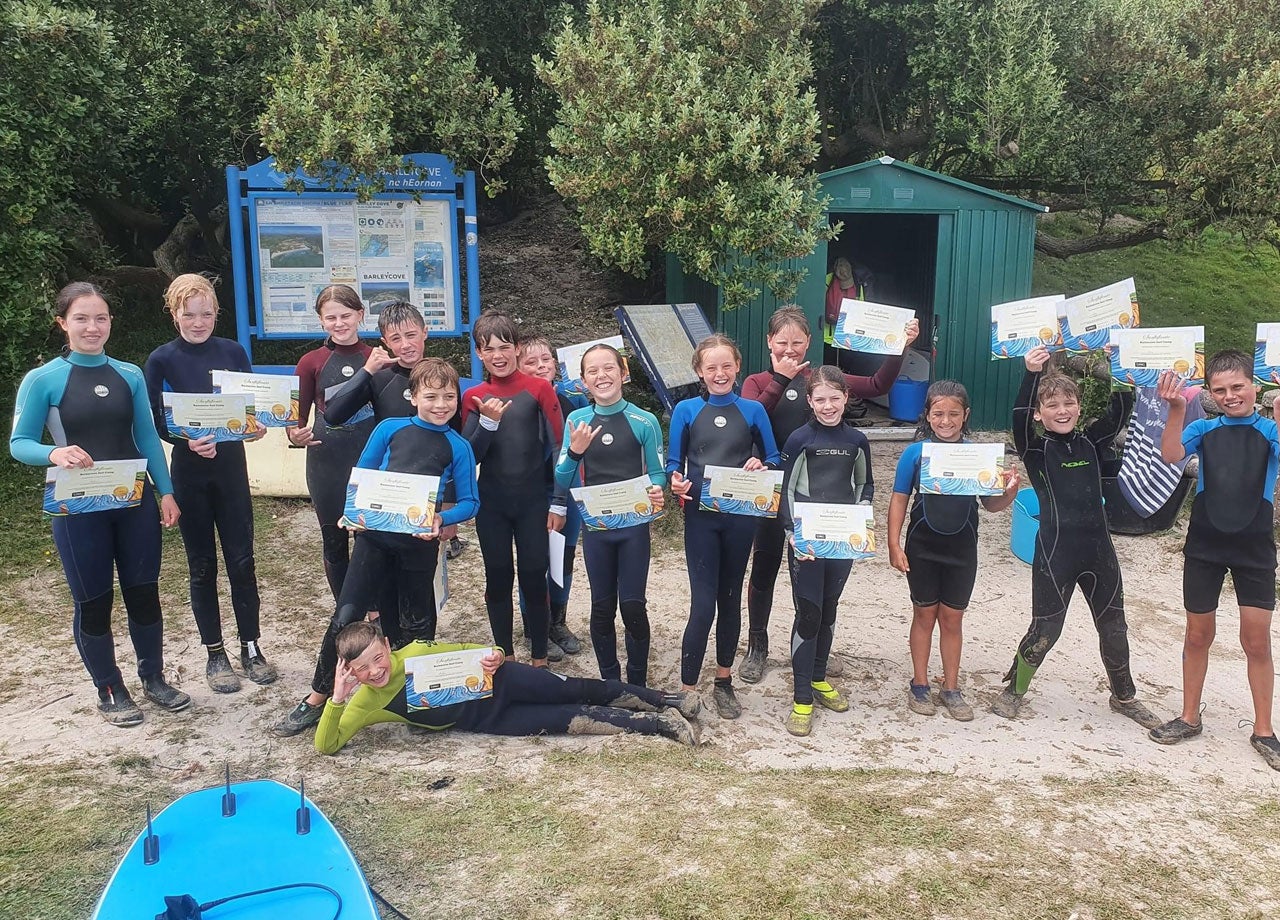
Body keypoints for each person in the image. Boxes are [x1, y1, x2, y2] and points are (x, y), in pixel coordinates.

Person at [10, 281, 189, 725]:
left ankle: (154, 677)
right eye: (82, 318)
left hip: (132, 503)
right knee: (93, 600)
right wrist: (55, 453)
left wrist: (165, 490)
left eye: (101, 318)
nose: (93, 327)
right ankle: (108, 686)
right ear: (62, 324)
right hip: (78, 509)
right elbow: (19, 442)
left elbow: (145, 437)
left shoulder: (127, 374)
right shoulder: (43, 379)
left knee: (144, 593)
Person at [275, 358, 479, 736]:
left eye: (449, 397)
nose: (440, 405)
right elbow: (363, 477)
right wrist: (352, 513)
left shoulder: (459, 446)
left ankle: (417, 698)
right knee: (345, 616)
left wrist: (441, 520)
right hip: (374, 541)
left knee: (416, 626)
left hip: (419, 546)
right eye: (430, 396)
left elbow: (470, 502)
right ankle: (318, 698)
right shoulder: (390, 429)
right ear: (413, 396)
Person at [739, 305, 920, 683]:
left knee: (815, 577)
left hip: (821, 501)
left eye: (798, 344)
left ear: (808, 343)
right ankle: (758, 644)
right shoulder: (757, 381)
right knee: (765, 567)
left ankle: (812, 646)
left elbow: (876, 386)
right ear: (769, 342)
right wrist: (777, 377)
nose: (791, 352)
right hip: (774, 491)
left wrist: (899, 345)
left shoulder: (818, 380)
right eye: (782, 343)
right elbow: (749, 419)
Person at [991, 345, 1158, 727]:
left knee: (1114, 627)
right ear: (1040, 413)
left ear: (1079, 407)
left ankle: (1124, 696)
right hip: (1056, 553)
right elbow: (1017, 417)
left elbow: (1121, 407)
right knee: (1046, 628)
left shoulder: (1092, 443)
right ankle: (1014, 691)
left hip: (1100, 552)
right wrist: (1031, 374)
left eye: (1069, 402)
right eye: (1052, 405)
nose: (1062, 410)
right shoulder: (1036, 448)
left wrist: (1118, 363)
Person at [144, 274, 275, 693]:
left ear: (217, 313)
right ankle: (214, 653)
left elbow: (250, 406)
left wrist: (256, 427)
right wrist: (185, 438)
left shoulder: (233, 351)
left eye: (206, 313)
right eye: (189, 314)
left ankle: (250, 645)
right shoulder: (161, 360)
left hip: (230, 468)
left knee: (242, 560)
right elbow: (157, 421)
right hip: (190, 469)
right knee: (201, 565)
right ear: (173, 314)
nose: (198, 322)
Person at [1148, 352, 1280, 770]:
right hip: (1205, 545)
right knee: (1196, 634)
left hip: (1255, 548)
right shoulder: (1205, 428)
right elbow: (1170, 455)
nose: (1230, 396)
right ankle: (1189, 716)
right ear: (1210, 393)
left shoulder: (1269, 431)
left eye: (1238, 387)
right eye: (1220, 390)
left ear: (1254, 385)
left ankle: (1264, 729)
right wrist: (1175, 408)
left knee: (1256, 640)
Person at [314, 622, 701, 754]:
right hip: (492, 718)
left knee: (577, 688)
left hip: (504, 679)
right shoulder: (365, 700)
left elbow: (473, 650)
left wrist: (495, 655)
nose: (375, 671)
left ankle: (666, 699)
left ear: (386, 646)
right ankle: (660, 725)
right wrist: (337, 699)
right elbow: (326, 745)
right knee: (573, 720)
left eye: (377, 658)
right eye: (362, 669)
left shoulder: (415, 651)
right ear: (350, 671)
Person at [887, 381, 1020, 721]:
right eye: (938, 414)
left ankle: (950, 687)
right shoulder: (915, 453)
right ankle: (919, 683)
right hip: (923, 547)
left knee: (952, 619)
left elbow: (990, 505)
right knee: (924, 615)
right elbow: (900, 498)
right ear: (927, 416)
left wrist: (1010, 493)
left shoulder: (979, 456)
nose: (946, 421)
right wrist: (893, 543)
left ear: (966, 416)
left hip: (962, 549)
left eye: (954, 414)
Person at [667, 334, 779, 718]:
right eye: (711, 367)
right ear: (699, 371)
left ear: (737, 368)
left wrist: (761, 465)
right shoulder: (685, 410)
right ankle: (685, 689)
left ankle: (724, 681)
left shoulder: (753, 411)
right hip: (700, 518)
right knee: (703, 606)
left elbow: (775, 457)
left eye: (726, 366)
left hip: (740, 518)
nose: (719, 373)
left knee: (730, 600)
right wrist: (675, 481)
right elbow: (673, 463)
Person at [554, 343, 667, 686]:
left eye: (608, 368)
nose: (601, 376)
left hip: (633, 527)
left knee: (633, 605)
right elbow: (561, 477)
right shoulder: (577, 420)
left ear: (623, 373)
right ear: (583, 381)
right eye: (592, 371)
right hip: (597, 529)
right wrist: (575, 451)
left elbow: (658, 473)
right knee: (602, 605)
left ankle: (636, 683)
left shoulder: (643, 420)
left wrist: (656, 490)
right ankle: (610, 682)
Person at [460, 311, 565, 668]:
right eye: (489, 350)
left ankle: (539, 658)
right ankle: (504, 654)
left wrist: (559, 501)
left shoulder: (538, 389)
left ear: (517, 348)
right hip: (493, 504)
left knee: (535, 574)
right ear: (478, 353)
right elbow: (468, 455)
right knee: (498, 575)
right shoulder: (474, 395)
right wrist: (487, 421)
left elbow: (558, 448)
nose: (498, 355)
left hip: (534, 501)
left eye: (505, 347)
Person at [777, 367, 871, 736]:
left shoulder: (857, 440)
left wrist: (860, 526)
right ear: (809, 401)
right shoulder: (800, 439)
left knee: (829, 611)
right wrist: (792, 533)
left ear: (846, 397)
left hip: (841, 542)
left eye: (835, 398)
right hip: (807, 543)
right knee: (809, 615)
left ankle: (818, 678)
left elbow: (866, 485)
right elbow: (783, 492)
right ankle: (801, 698)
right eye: (820, 399)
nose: (828, 406)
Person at [287, 284, 375, 600]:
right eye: (331, 317)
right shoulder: (311, 362)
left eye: (346, 315)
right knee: (334, 540)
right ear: (321, 321)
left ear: (360, 315)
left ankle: (376, 608)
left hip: (369, 461)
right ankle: (346, 611)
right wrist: (294, 434)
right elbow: (296, 417)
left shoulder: (376, 359)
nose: (339, 323)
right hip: (327, 463)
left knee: (372, 538)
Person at [516, 334, 587, 660]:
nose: (541, 366)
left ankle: (557, 622)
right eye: (531, 361)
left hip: (567, 493)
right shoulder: (515, 402)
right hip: (532, 495)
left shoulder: (573, 400)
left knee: (564, 558)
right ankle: (534, 629)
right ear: (518, 366)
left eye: (546, 359)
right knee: (534, 563)